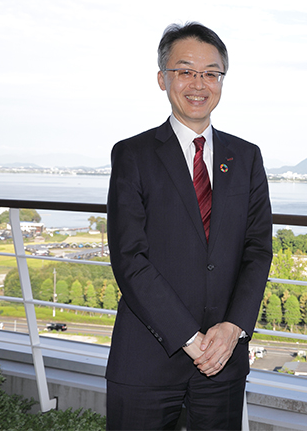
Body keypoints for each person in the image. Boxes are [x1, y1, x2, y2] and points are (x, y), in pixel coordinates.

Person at [105, 22, 272, 430]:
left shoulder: (246, 157)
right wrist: (189, 339)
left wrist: (233, 329)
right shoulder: (133, 155)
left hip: (222, 359)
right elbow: (130, 259)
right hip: (147, 358)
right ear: (163, 78)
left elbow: (257, 249)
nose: (199, 83)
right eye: (185, 71)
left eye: (211, 73)